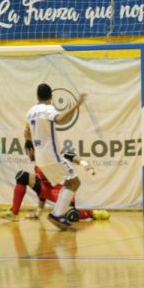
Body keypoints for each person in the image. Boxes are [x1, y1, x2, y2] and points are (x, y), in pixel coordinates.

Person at [0, 141, 109, 221]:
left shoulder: (48, 155)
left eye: (27, 152)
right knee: (22, 176)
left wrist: (84, 163)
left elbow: (68, 155)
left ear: (31, 150)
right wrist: (38, 213)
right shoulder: (38, 165)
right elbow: (42, 191)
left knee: (72, 216)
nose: (27, 155)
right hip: (49, 190)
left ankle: (93, 213)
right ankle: (14, 211)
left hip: (63, 191)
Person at [24, 83, 86, 230]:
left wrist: (31, 144)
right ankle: (57, 214)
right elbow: (60, 119)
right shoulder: (48, 109)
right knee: (74, 182)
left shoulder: (30, 112)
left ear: (37, 96)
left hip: (40, 159)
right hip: (51, 155)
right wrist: (76, 105)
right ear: (51, 97)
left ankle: (57, 214)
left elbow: (26, 132)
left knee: (68, 183)